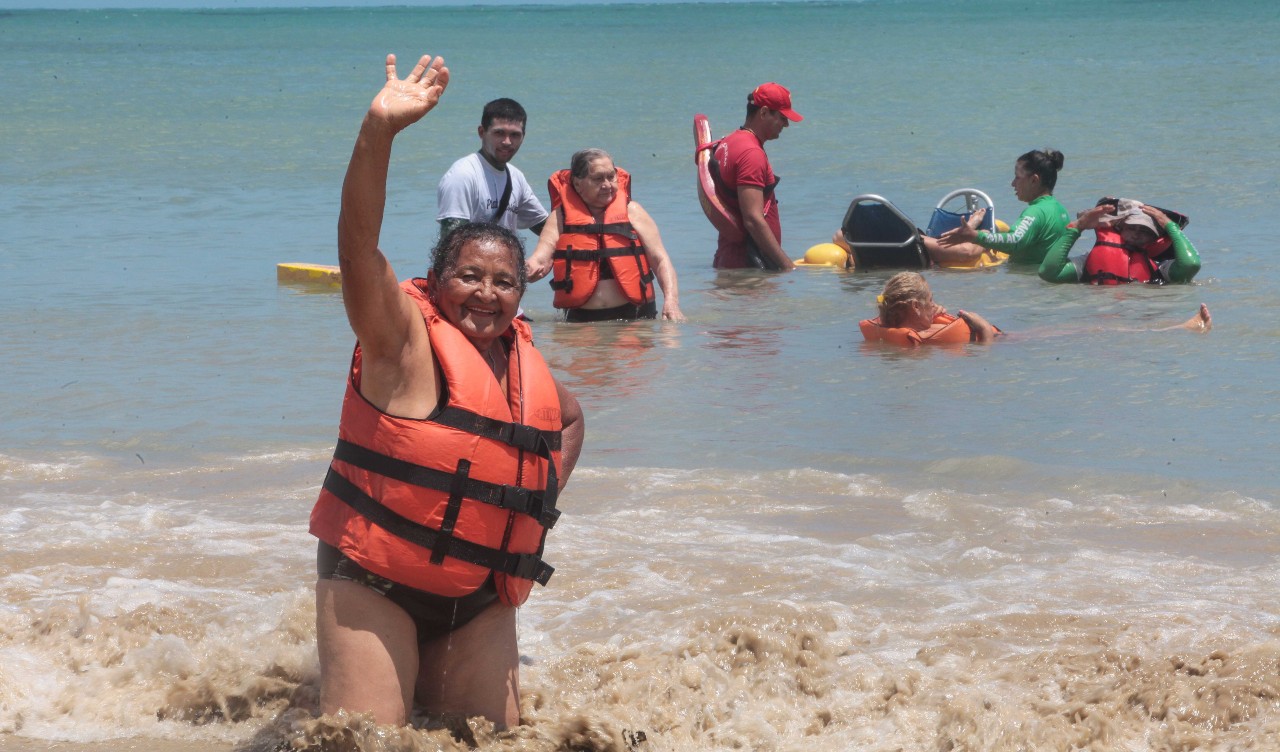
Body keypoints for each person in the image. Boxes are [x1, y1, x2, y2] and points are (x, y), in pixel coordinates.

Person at [310, 54, 585, 730]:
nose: (486, 294)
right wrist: (379, 132)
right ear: (436, 282)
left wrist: (530, 499)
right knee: (364, 743)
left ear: (522, 294)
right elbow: (357, 246)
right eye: (469, 276)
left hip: (478, 595)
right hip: (375, 582)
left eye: (503, 282)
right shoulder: (399, 341)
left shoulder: (524, 361)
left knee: (498, 742)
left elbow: (571, 422)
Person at [526, 149, 684, 322]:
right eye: (598, 179)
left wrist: (671, 301)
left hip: (637, 318)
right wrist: (522, 272)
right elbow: (540, 259)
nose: (607, 185)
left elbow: (660, 260)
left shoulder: (633, 212)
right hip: (581, 322)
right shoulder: (560, 217)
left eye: (611, 176)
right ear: (578, 184)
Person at [709, 83, 802, 271]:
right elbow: (752, 219)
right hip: (750, 268)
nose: (786, 124)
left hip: (729, 261)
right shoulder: (751, 154)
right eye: (782, 118)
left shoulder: (728, 141)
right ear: (764, 113)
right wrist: (787, 267)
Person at [924, 149, 1070, 266]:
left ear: (1034, 180)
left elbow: (1014, 241)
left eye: (1017, 177)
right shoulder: (1060, 210)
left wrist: (975, 236)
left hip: (1027, 286)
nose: (1013, 183)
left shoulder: (1035, 212)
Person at [436, 97, 548, 240]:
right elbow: (450, 243)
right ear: (482, 132)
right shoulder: (463, 175)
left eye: (514, 135)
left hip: (507, 261)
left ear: (523, 137)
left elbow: (545, 227)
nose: (507, 142)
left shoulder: (516, 177)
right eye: (499, 133)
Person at [1038, 198, 1201, 284]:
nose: (1137, 234)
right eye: (1132, 228)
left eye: (1145, 231)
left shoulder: (1160, 269)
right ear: (1120, 228)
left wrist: (1169, 226)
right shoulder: (1088, 261)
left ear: (1154, 239)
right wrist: (1078, 227)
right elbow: (1048, 272)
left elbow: (1191, 264)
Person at [858, 272, 1000, 345]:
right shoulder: (925, 340)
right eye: (930, 300)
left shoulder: (887, 330)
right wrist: (984, 328)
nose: (934, 305)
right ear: (916, 306)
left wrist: (929, 314)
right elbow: (984, 357)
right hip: (1003, 341)